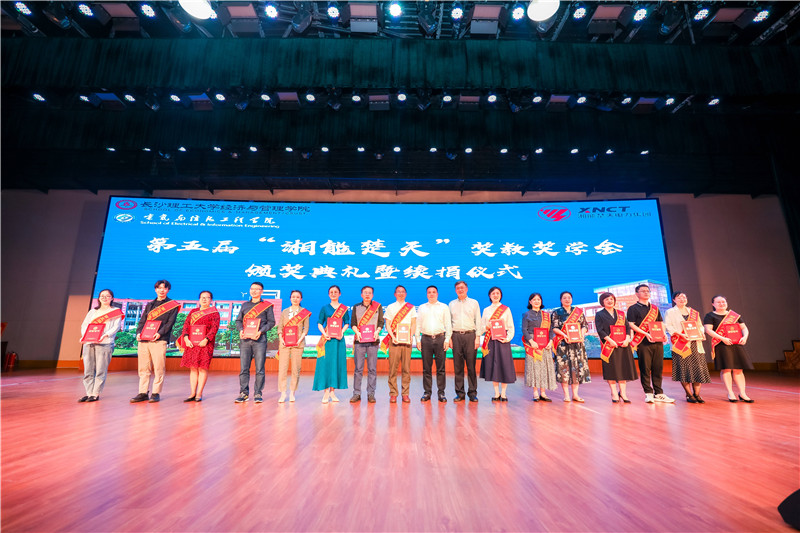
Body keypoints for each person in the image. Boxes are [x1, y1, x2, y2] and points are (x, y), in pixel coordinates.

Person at [131, 280, 181, 403]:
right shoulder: (150, 305)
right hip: (144, 340)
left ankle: (155, 392)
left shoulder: (172, 305)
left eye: (164, 288)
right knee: (143, 368)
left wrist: (159, 333)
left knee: (159, 367)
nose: (161, 290)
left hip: (159, 340)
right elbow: (142, 321)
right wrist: (139, 333)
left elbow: (170, 323)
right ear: (155, 289)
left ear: (168, 290)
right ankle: (143, 392)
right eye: (159, 288)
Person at [627, 284, 674, 404]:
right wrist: (645, 334)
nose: (646, 293)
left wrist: (664, 334)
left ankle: (659, 393)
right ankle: (648, 393)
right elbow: (631, 324)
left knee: (658, 367)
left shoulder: (654, 308)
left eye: (648, 291)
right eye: (643, 291)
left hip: (657, 341)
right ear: (637, 294)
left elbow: (660, 323)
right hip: (642, 342)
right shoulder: (633, 308)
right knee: (645, 368)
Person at [703, 295, 755, 402]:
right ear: (713, 304)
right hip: (722, 344)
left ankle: (742, 393)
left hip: (736, 344)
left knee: (739, 369)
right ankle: (730, 393)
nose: (721, 304)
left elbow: (744, 328)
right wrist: (723, 338)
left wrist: (745, 337)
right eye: (718, 302)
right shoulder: (710, 315)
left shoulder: (734, 315)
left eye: (723, 302)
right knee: (726, 369)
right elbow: (708, 330)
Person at [665, 291, 711, 403]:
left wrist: (701, 333)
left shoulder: (693, 312)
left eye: (684, 297)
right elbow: (668, 326)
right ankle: (689, 394)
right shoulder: (670, 312)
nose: (682, 299)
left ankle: (697, 394)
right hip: (680, 344)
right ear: (674, 300)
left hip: (695, 344)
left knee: (698, 369)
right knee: (684, 370)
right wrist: (680, 334)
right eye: (679, 297)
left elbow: (700, 326)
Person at [234, 282, 276, 404]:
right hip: (245, 340)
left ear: (262, 291)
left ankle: (258, 393)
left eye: (257, 289)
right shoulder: (245, 305)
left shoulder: (267, 306)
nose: (254, 291)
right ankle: (244, 393)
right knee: (244, 368)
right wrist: (241, 330)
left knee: (260, 368)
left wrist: (261, 331)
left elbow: (271, 322)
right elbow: (238, 321)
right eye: (252, 289)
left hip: (260, 340)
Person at [78, 289, 123, 402]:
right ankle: (89, 393)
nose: (104, 298)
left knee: (100, 370)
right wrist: (84, 337)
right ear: (99, 298)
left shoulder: (115, 311)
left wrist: (105, 335)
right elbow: (85, 325)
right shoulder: (93, 312)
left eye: (107, 296)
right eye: (102, 296)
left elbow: (116, 326)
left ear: (112, 298)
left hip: (105, 343)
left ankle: (95, 393)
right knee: (88, 370)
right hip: (89, 343)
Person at [594, 292, 637, 403]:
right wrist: (611, 341)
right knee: (611, 370)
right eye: (607, 299)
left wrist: (627, 339)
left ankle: (623, 393)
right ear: (602, 302)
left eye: (611, 299)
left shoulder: (621, 314)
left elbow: (627, 328)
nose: (610, 301)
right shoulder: (599, 314)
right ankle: (613, 393)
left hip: (623, 345)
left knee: (623, 369)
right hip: (609, 346)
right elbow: (600, 330)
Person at [178, 290, 220, 402]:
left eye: (207, 297)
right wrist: (186, 338)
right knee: (193, 368)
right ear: (199, 299)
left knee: (202, 368)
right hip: (192, 344)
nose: (204, 299)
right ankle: (192, 393)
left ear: (211, 300)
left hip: (205, 344)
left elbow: (214, 328)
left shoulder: (214, 313)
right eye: (202, 297)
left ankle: (199, 393)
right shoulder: (193, 311)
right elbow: (186, 326)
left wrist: (206, 339)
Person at [313, 285, 350, 403]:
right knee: (325, 364)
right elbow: (319, 323)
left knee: (336, 364)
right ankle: (325, 392)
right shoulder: (325, 308)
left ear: (340, 294)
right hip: (327, 340)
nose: (333, 294)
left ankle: (332, 392)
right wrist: (324, 334)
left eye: (336, 292)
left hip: (338, 340)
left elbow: (347, 323)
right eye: (331, 292)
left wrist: (341, 332)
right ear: (329, 294)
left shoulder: (343, 308)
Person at [551, 291, 590, 402]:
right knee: (564, 369)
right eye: (564, 298)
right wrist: (565, 335)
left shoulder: (578, 312)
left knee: (576, 369)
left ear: (572, 299)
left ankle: (575, 395)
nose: (567, 299)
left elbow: (584, 325)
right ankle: (566, 395)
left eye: (569, 297)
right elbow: (554, 328)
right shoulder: (556, 312)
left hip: (577, 344)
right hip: (563, 344)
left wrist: (581, 335)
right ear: (561, 300)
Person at [416, 285, 452, 403]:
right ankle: (427, 392)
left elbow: (448, 324)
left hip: (440, 339)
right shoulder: (422, 307)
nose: (431, 294)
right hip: (425, 339)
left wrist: (447, 339)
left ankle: (441, 393)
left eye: (433, 292)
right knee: (426, 368)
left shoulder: (444, 307)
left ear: (437, 294)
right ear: (427, 294)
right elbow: (418, 325)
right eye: (429, 292)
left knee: (441, 368)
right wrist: (417, 340)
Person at [480, 287, 516, 401]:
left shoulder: (506, 309)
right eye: (493, 293)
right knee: (493, 366)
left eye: (497, 293)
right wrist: (486, 327)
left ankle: (504, 393)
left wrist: (507, 339)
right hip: (490, 341)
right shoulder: (486, 310)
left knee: (504, 366)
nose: (495, 295)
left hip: (502, 341)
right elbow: (481, 327)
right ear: (489, 296)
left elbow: (511, 327)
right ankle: (496, 393)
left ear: (500, 295)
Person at [350, 286, 384, 404]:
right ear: (361, 294)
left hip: (373, 341)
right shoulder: (356, 307)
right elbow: (353, 323)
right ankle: (356, 393)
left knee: (372, 369)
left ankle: (371, 393)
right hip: (359, 341)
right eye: (365, 292)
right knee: (358, 369)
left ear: (372, 295)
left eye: (369, 293)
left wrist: (377, 331)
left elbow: (381, 322)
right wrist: (357, 332)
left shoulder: (378, 307)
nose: (367, 295)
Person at [448, 280, 481, 402]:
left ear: (466, 289)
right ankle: (460, 393)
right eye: (458, 288)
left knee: (471, 366)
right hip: (456, 336)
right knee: (458, 367)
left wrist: (478, 337)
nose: (460, 290)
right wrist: (449, 338)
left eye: (462, 287)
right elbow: (449, 323)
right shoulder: (451, 304)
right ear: (455, 290)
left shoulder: (474, 303)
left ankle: (472, 393)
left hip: (470, 336)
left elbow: (478, 321)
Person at [382, 285, 416, 404]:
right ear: (395, 294)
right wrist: (392, 337)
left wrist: (411, 336)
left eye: (403, 292)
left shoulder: (411, 307)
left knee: (406, 368)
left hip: (407, 341)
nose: (401, 293)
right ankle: (393, 393)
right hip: (395, 340)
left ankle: (405, 394)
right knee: (393, 368)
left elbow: (413, 323)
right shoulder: (390, 307)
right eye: (398, 292)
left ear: (405, 294)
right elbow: (388, 324)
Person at [276, 290, 311, 403]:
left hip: (298, 344)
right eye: (293, 297)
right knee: (282, 368)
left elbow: (306, 329)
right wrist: (281, 339)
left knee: (296, 369)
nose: (295, 299)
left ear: (301, 299)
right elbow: (280, 327)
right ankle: (283, 393)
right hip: (284, 343)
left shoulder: (304, 312)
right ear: (290, 298)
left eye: (297, 297)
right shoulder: (285, 311)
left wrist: (299, 340)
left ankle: (292, 392)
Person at [521, 292, 556, 402]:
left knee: (544, 368)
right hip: (533, 344)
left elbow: (550, 330)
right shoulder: (526, 314)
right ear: (530, 302)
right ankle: (535, 393)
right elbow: (524, 330)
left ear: (541, 302)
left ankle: (543, 393)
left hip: (545, 344)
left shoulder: (546, 315)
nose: (537, 301)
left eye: (538, 299)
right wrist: (531, 341)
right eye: (534, 299)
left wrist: (550, 341)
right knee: (534, 368)